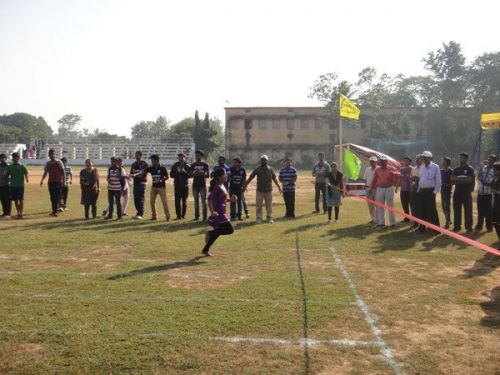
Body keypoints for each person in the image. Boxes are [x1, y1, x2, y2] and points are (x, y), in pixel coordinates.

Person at [201, 168, 235, 257]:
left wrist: (230, 200)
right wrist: (212, 212)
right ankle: (209, 233)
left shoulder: (223, 185)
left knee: (217, 233)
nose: (226, 175)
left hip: (222, 213)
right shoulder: (216, 187)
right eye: (224, 174)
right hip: (218, 215)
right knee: (230, 230)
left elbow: (222, 199)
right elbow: (209, 199)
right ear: (220, 177)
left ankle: (205, 250)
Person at [243, 155, 282, 224]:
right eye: (262, 160)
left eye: (265, 160)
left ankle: (269, 218)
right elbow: (251, 177)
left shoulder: (270, 169)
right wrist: (245, 185)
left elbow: (274, 179)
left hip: (268, 191)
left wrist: (279, 187)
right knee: (259, 205)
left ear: (267, 161)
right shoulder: (257, 169)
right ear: (260, 161)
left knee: (269, 205)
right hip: (259, 191)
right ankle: (259, 218)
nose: (263, 161)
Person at [415, 151, 442, 233]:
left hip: (430, 191)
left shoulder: (435, 167)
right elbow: (421, 180)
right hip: (422, 191)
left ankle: (436, 229)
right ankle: (422, 227)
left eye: (425, 158)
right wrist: (418, 190)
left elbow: (438, 181)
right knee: (422, 210)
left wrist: (434, 192)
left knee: (432, 210)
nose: (424, 159)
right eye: (423, 158)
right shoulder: (422, 167)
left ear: (430, 158)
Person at [371, 155, 399, 228]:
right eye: (381, 161)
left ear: (387, 161)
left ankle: (392, 223)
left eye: (384, 161)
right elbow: (374, 179)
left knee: (390, 206)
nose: (382, 162)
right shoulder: (378, 170)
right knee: (380, 206)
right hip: (380, 188)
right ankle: (381, 222)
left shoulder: (391, 168)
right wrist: (372, 188)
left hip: (389, 188)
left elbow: (398, 174)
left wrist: (395, 174)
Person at [451, 152, 475, 233]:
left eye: (462, 158)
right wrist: (463, 180)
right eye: (460, 157)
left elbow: (469, 180)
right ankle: (457, 227)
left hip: (466, 193)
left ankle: (468, 227)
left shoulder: (470, 169)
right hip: (457, 193)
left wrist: (458, 179)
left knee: (468, 211)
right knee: (457, 210)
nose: (461, 159)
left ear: (466, 159)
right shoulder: (456, 169)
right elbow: (452, 180)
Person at [144, 154, 170, 221]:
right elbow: (144, 171)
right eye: (151, 160)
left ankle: (168, 216)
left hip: (161, 187)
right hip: (154, 187)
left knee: (164, 202)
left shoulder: (162, 168)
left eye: (152, 160)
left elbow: (167, 177)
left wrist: (161, 180)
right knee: (152, 201)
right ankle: (154, 216)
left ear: (156, 160)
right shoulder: (151, 168)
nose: (151, 162)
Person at [40, 149, 65, 217]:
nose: (52, 155)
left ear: (55, 154)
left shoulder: (59, 162)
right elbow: (45, 172)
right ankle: (54, 210)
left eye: (53, 154)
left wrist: (63, 181)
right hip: (51, 182)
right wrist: (42, 180)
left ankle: (56, 211)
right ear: (49, 155)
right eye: (51, 154)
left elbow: (63, 172)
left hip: (58, 182)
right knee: (52, 197)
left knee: (56, 197)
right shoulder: (47, 163)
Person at [475, 154, 497, 232]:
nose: (489, 161)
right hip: (480, 193)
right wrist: (481, 168)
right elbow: (478, 176)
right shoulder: (484, 167)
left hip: (488, 194)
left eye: (491, 160)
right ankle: (479, 227)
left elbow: (490, 183)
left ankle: (489, 228)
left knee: (488, 212)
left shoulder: (494, 171)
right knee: (480, 211)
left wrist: (483, 181)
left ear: (494, 161)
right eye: (489, 159)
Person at [6, 152, 28, 219]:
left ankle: (21, 213)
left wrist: (27, 179)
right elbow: (7, 175)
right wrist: (8, 178)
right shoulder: (10, 167)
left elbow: (26, 173)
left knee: (21, 200)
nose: (14, 159)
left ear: (18, 158)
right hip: (13, 185)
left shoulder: (22, 166)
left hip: (20, 185)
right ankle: (18, 213)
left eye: (16, 157)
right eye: (13, 157)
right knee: (15, 200)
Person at [170, 153, 191, 220]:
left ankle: (183, 215)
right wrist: (178, 172)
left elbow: (190, 175)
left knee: (184, 202)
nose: (181, 159)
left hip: (185, 186)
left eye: (182, 158)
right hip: (177, 186)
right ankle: (178, 216)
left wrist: (184, 172)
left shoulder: (188, 166)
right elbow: (171, 175)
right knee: (177, 201)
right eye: (179, 158)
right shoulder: (175, 165)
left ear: (185, 158)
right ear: (178, 158)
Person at [190, 150, 209, 221]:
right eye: (196, 155)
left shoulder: (205, 165)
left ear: (201, 156)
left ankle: (204, 217)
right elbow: (190, 175)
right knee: (196, 202)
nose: (196, 156)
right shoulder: (193, 165)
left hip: (202, 185)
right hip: (195, 185)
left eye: (198, 155)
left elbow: (207, 175)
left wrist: (201, 173)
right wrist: (195, 173)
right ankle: (196, 217)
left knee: (204, 202)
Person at [129, 151, 148, 220]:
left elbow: (143, 173)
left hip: (142, 183)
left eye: (137, 155)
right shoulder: (134, 164)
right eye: (135, 155)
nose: (136, 156)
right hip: (136, 183)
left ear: (141, 156)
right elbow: (131, 173)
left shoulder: (144, 164)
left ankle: (141, 214)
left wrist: (136, 175)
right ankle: (138, 212)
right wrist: (131, 175)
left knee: (141, 198)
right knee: (136, 198)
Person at [396, 156, 413, 222]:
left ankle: (414, 218)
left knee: (411, 204)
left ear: (410, 162)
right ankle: (407, 217)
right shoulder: (401, 169)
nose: (405, 162)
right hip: (403, 189)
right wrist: (397, 187)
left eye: (407, 161)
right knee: (404, 204)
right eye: (404, 160)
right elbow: (399, 179)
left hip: (410, 190)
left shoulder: (412, 169)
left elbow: (413, 179)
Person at [363, 156, 378, 224]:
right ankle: (373, 219)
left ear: (376, 162)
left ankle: (379, 220)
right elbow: (365, 179)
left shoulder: (378, 169)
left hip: (376, 189)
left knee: (378, 205)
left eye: (373, 162)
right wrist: (366, 187)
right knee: (370, 205)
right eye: (370, 161)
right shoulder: (367, 169)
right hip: (368, 189)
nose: (371, 163)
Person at [410, 154, 423, 228]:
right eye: (416, 159)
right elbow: (411, 179)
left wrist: (417, 180)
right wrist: (412, 183)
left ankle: (422, 223)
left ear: (422, 160)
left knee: (420, 207)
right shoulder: (413, 169)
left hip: (421, 189)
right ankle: (415, 222)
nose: (417, 160)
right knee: (414, 206)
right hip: (414, 189)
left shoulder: (424, 168)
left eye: (419, 159)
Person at [440, 157, 453, 229]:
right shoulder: (441, 171)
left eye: (444, 161)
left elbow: (452, 182)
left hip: (447, 191)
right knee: (443, 208)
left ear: (448, 163)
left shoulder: (451, 171)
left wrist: (447, 185)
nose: (443, 162)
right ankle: (448, 219)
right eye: (443, 161)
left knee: (447, 207)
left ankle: (447, 223)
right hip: (442, 191)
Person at [491, 162, 500, 249]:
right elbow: (491, 187)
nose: (493, 171)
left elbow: (495, 191)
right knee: (495, 223)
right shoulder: (494, 179)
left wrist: (496, 191)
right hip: (496, 204)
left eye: (495, 170)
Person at [0, 153, 12, 218]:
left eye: (3, 158)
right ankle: (4, 212)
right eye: (1, 158)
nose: (2, 159)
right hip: (0, 185)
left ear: (5, 158)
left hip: (7, 185)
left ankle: (8, 213)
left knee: (7, 200)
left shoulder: (8, 166)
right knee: (2, 200)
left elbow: (10, 175)